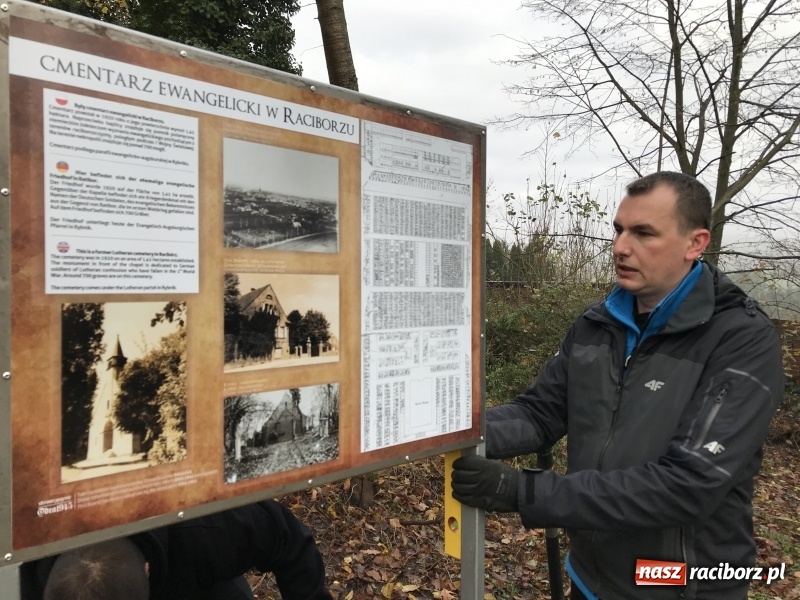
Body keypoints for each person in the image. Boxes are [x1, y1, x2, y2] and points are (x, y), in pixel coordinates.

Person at [452, 172, 784, 599]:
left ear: (695, 243)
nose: (621, 247)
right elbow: (540, 413)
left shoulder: (740, 338)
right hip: (590, 577)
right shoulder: (598, 324)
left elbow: (688, 485)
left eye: (644, 233)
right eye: (619, 229)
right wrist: (455, 428)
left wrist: (522, 491)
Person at [22, 499, 332, 600]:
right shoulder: (24, 560)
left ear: (147, 569)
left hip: (197, 580)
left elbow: (284, 534)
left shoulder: (209, 532)